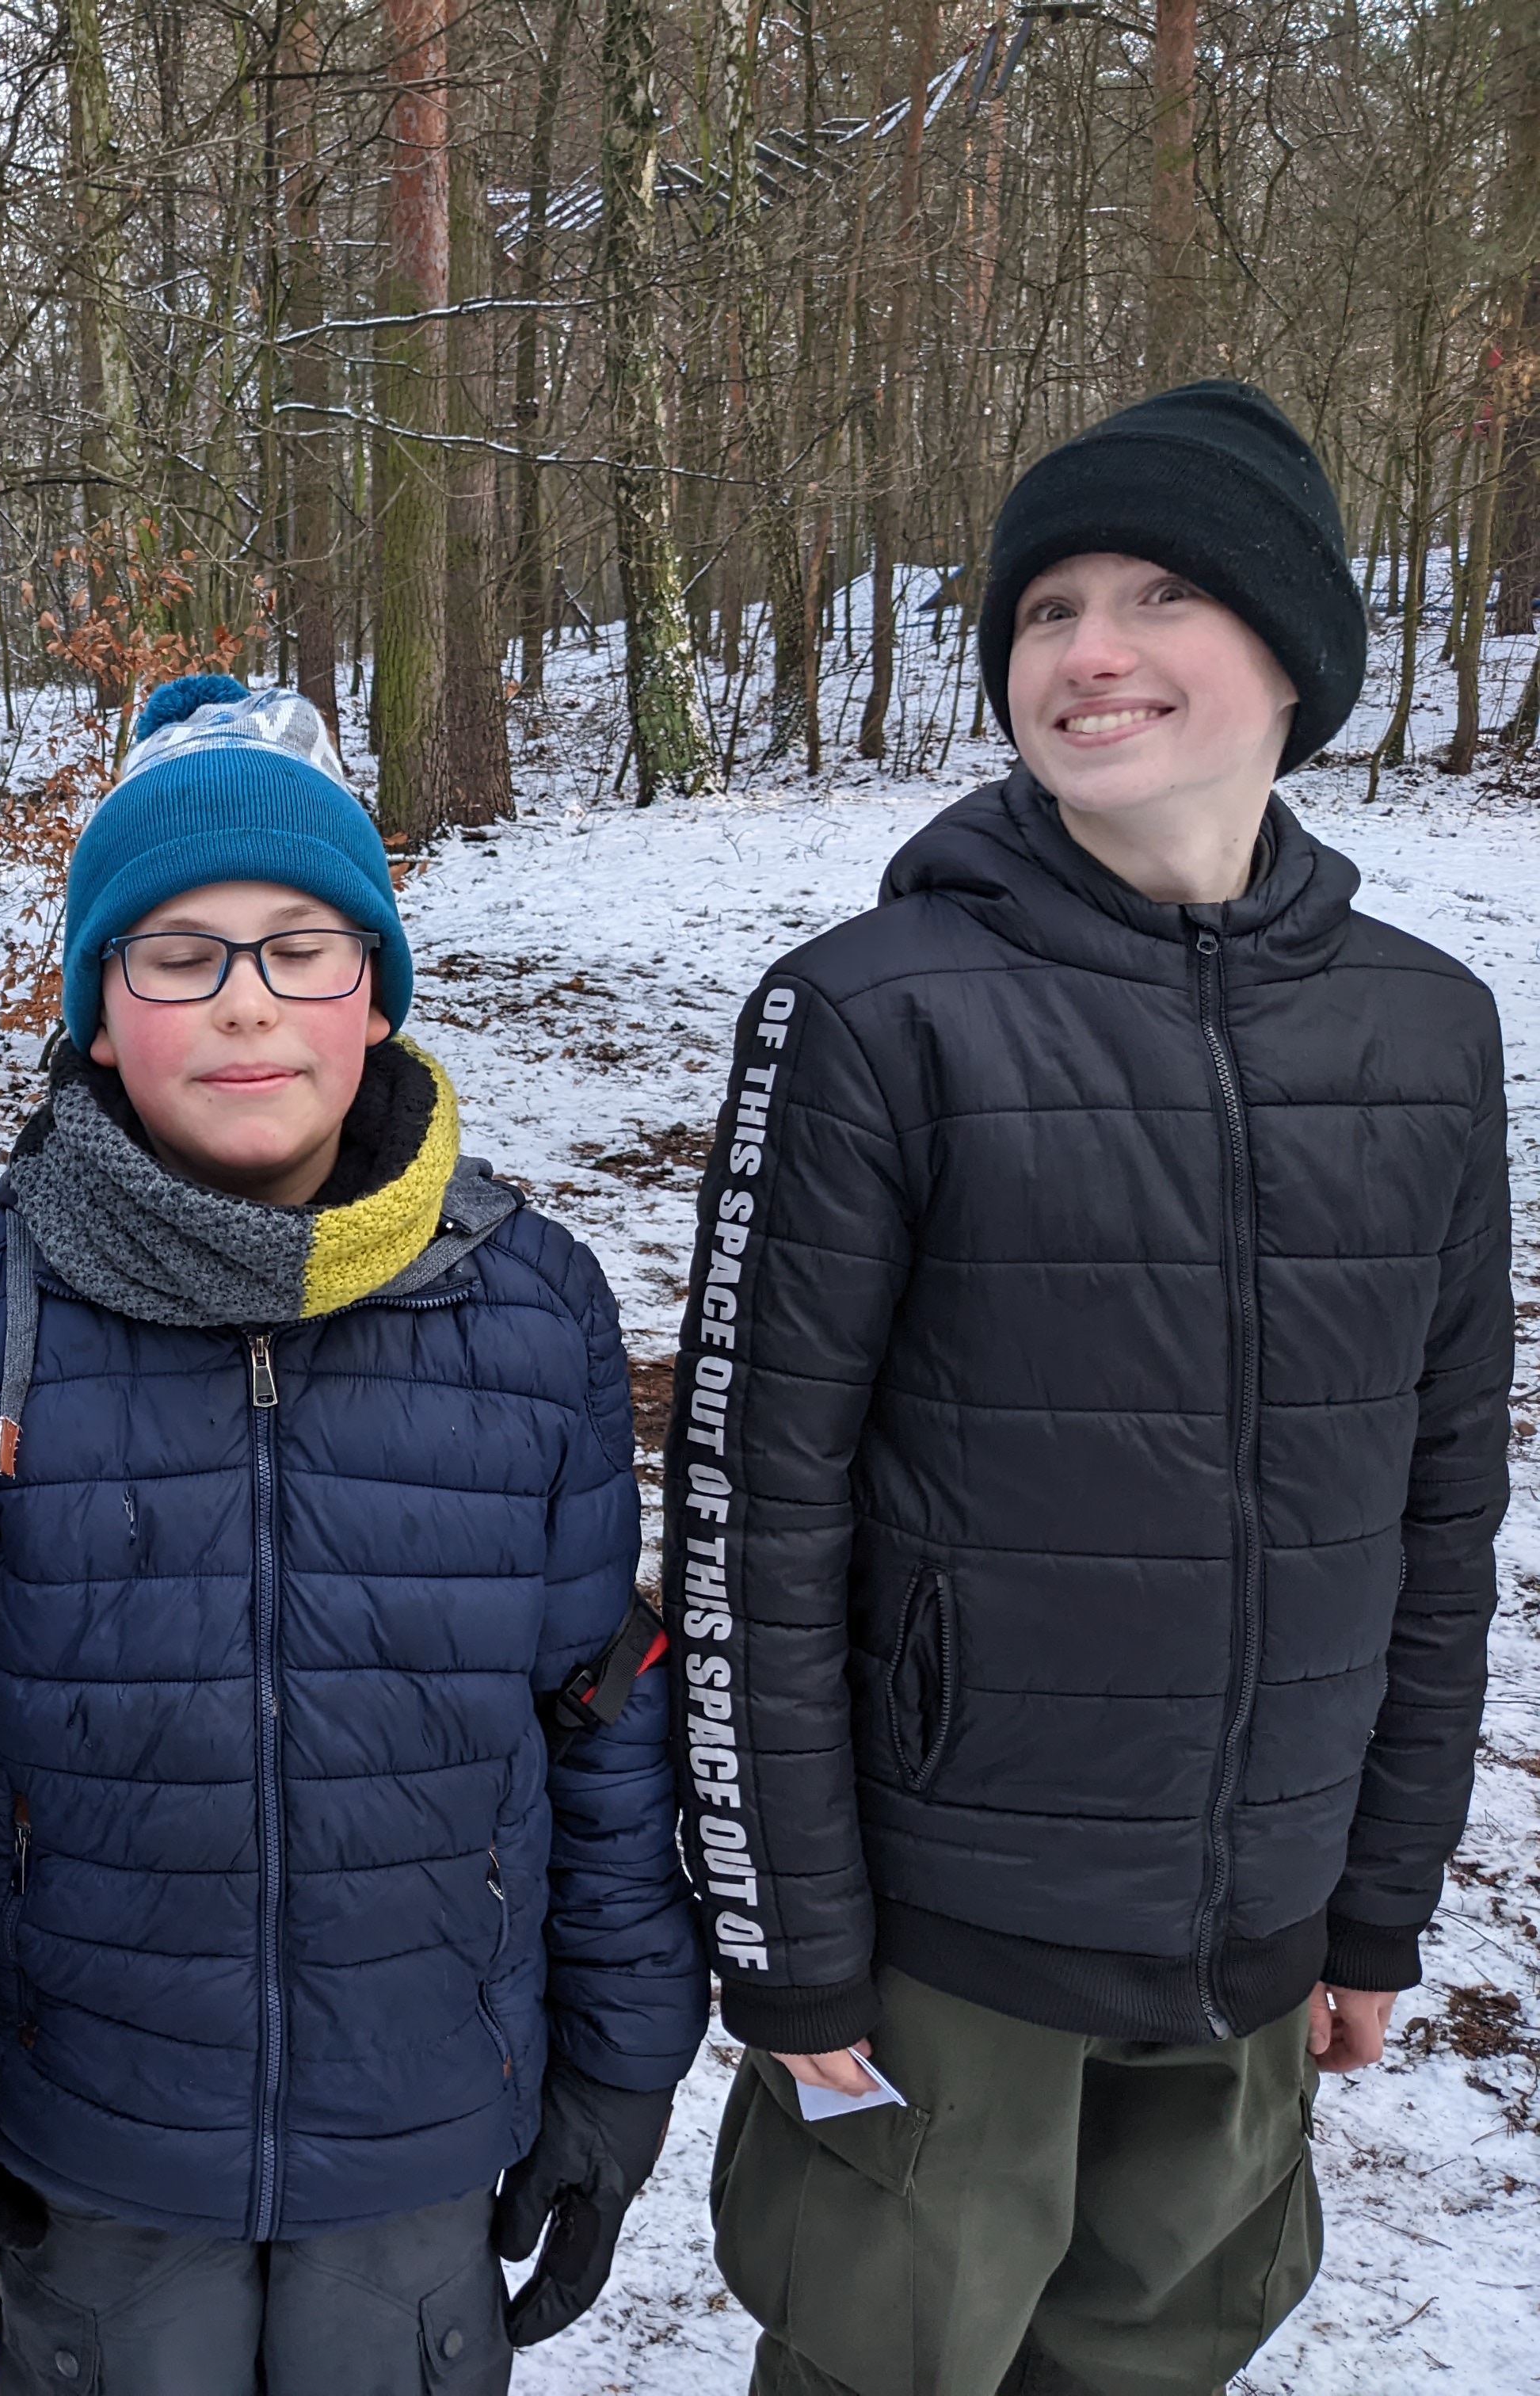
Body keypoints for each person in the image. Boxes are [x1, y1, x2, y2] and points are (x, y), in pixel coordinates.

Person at [665, 381, 1511, 2395]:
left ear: (1294, 654)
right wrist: (786, 1941)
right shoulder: (871, 1017)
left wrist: (1376, 1901)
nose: (1090, 651)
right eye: (1047, 610)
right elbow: (746, 1514)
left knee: (1156, 2357)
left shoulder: (1427, 1029)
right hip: (950, 1943)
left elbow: (1442, 1498)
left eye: (1158, 596)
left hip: (1255, 1928)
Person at [0, 675, 707, 2396]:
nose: (245, 1002)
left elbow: (600, 1713)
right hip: (92, 2141)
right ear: (100, 1013)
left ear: (374, 995)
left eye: (301, 949)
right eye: (179, 955)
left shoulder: (532, 1310)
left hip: (420, 2128)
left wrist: (622, 2065)